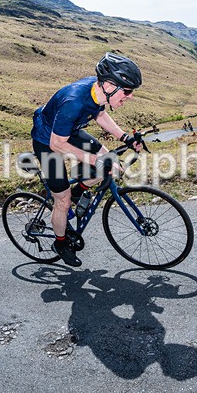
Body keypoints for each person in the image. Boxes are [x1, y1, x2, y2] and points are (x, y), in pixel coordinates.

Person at [32, 52, 143, 266]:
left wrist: (125, 138)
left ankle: (79, 189)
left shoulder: (98, 91)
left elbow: (99, 114)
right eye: (127, 91)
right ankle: (61, 242)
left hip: (69, 132)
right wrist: (94, 161)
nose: (130, 97)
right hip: (48, 142)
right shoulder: (73, 101)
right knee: (62, 201)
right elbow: (57, 145)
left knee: (109, 160)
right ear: (110, 86)